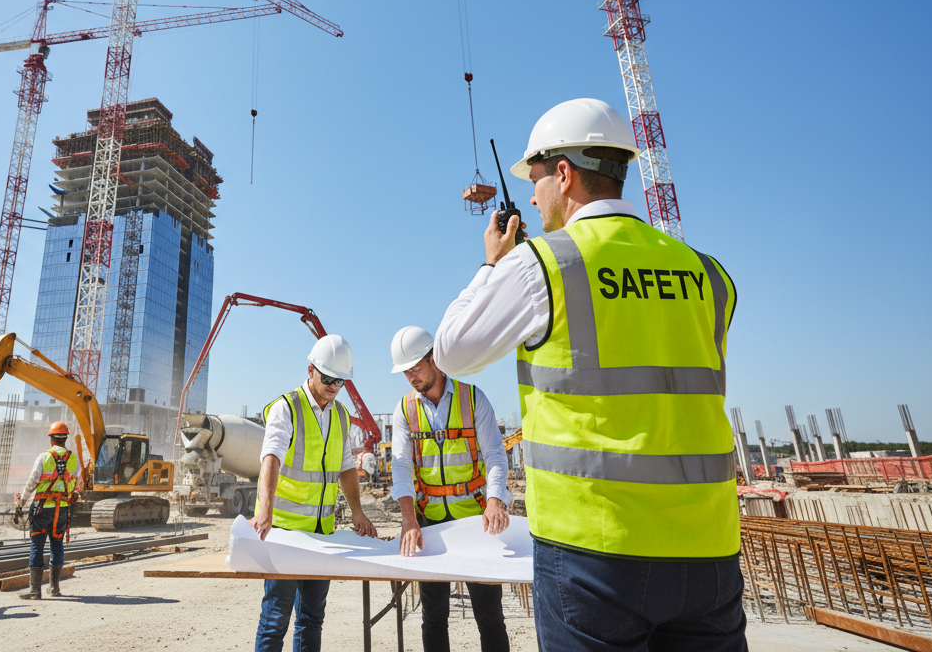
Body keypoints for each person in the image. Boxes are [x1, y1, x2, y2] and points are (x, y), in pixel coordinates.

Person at [434, 98, 744, 651]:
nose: (531, 196)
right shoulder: (708, 273)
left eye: (535, 179)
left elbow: (453, 354)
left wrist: (493, 265)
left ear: (564, 173)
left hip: (594, 551)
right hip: (708, 550)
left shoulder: (548, 263)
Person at [250, 334, 378, 652]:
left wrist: (357, 511)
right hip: (283, 533)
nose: (334, 386)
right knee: (275, 620)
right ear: (311, 370)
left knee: (311, 619)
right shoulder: (287, 408)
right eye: (328, 378)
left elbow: (347, 466)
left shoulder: (341, 415)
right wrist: (264, 512)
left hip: (322, 534)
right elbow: (271, 458)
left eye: (341, 381)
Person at [390, 325, 512, 652]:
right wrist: (408, 520)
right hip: (431, 523)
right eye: (405, 372)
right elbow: (400, 466)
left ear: (434, 359)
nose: (411, 377)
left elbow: (496, 455)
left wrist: (495, 500)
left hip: (477, 521)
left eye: (415, 368)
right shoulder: (405, 410)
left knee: (489, 615)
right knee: (433, 616)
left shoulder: (473, 399)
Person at [14, 420, 79, 600]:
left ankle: (35, 591)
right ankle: (55, 588)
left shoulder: (44, 457)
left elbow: (32, 482)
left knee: (37, 545)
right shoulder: (73, 459)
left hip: (42, 510)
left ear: (51, 438)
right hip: (62, 510)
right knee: (57, 544)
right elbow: (76, 484)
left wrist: (21, 504)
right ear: (65, 439)